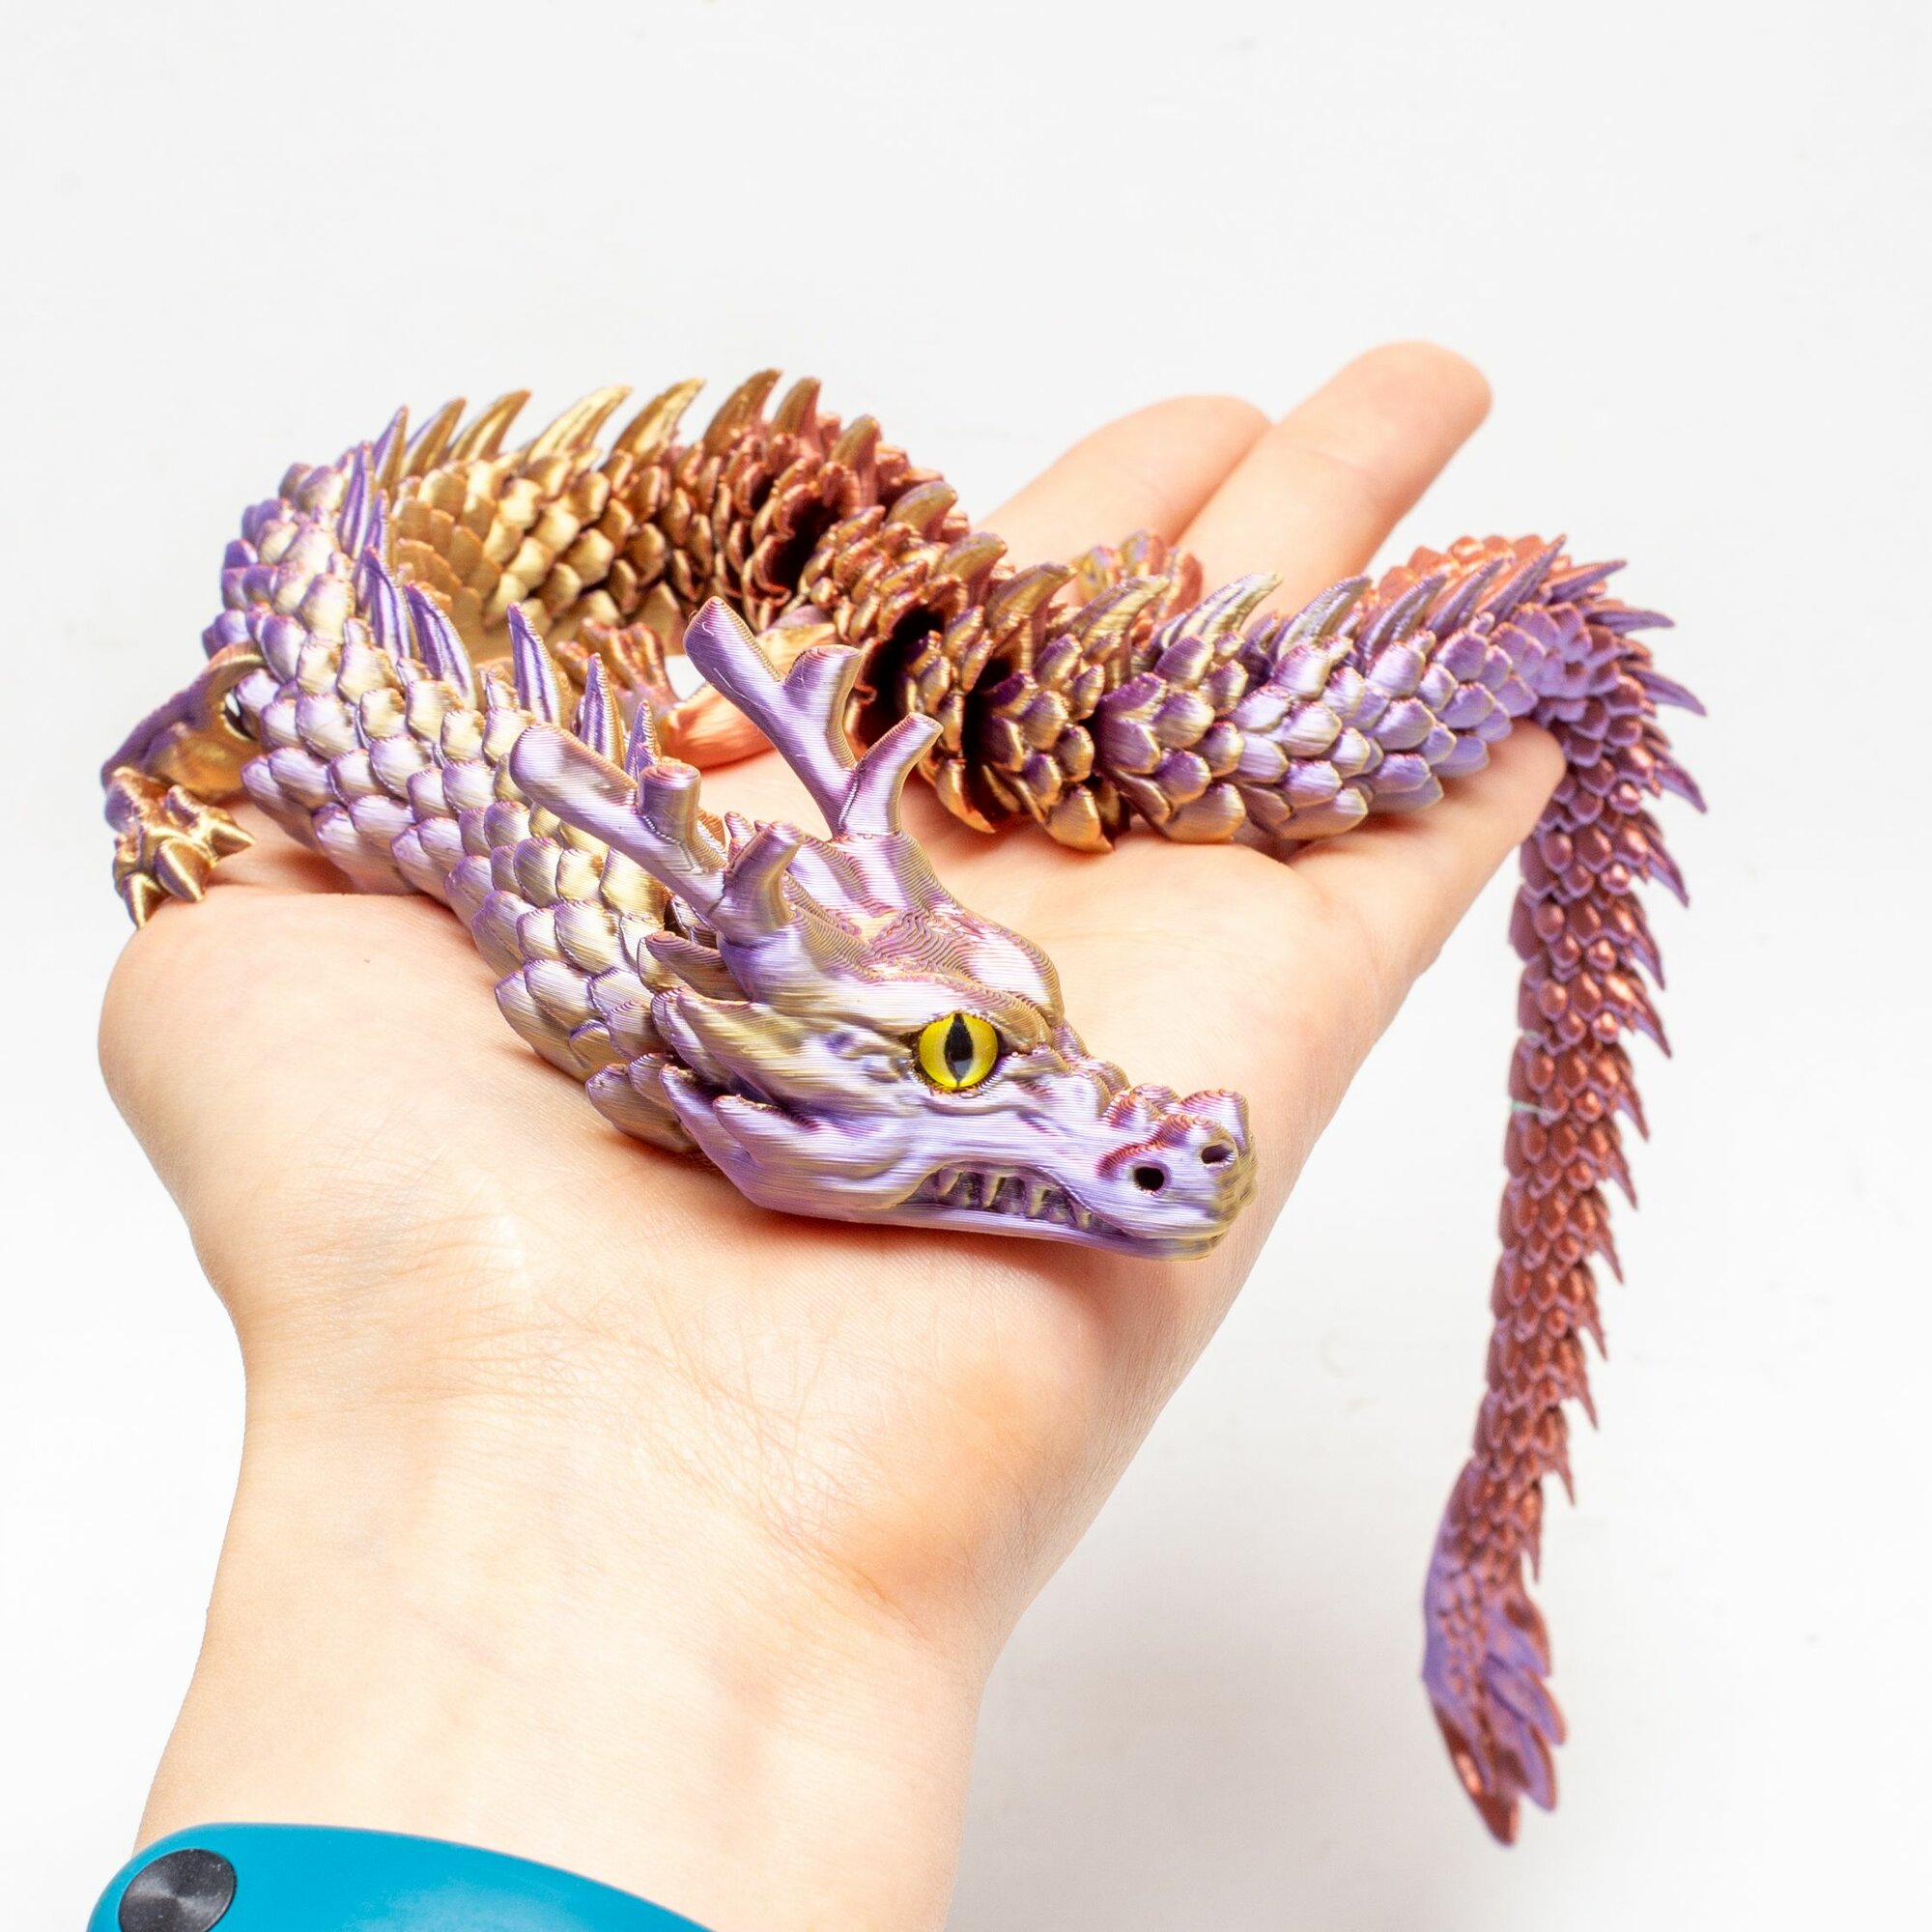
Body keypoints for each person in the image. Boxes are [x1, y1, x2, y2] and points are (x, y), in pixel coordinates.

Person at [94, 345, 1559, 1930]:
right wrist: (153, 792)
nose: (1149, 1133)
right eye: (959, 1059)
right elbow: (237, 714)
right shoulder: (416, 794)